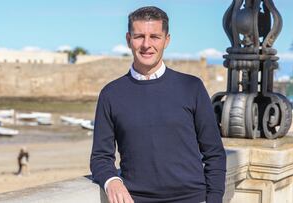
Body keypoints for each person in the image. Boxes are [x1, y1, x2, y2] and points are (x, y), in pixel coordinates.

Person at [90, 6, 226, 203]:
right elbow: (100, 157)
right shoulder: (111, 94)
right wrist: (112, 181)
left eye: (154, 36)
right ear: (129, 40)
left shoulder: (192, 87)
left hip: (192, 198)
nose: (146, 44)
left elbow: (214, 153)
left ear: (166, 40)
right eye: (139, 37)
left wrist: (214, 200)